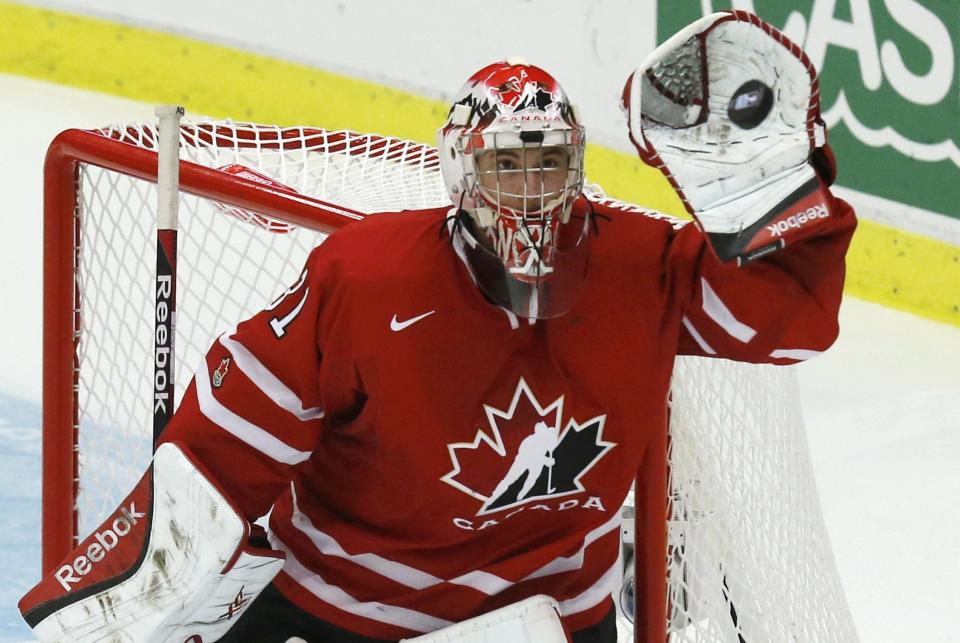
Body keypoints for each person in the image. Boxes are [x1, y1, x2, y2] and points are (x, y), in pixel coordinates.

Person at [19, 13, 856, 643]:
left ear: (577, 166)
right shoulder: (369, 276)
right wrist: (142, 579)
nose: (530, 188)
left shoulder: (641, 265)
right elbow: (227, 437)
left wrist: (778, 190)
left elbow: (789, 321)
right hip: (357, 615)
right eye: (506, 162)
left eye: (548, 160)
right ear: (462, 169)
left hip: (552, 618)